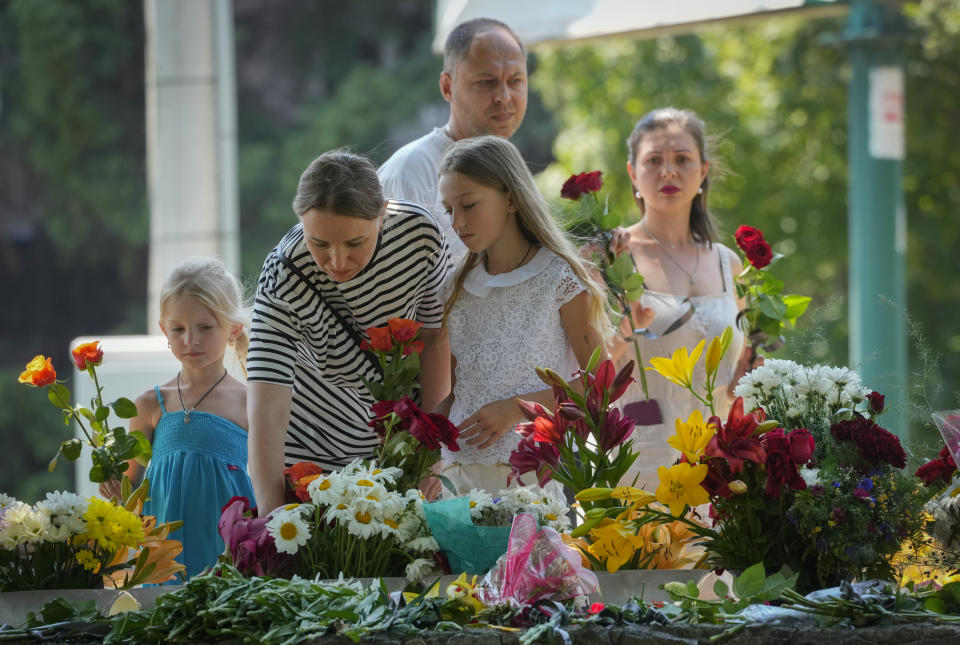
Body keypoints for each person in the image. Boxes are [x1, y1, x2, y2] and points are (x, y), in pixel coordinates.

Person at [247, 150, 450, 514]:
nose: (337, 262)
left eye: (355, 243)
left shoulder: (421, 237)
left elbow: (435, 339)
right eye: (319, 244)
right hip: (308, 450)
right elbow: (267, 406)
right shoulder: (283, 273)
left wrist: (430, 456)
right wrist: (269, 515)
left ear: (383, 213)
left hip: (398, 442)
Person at [436, 135, 613, 495]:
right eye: (449, 209)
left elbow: (602, 383)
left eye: (468, 205)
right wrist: (421, 435)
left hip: (534, 476)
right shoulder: (455, 287)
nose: (457, 222)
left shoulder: (559, 279)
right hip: (460, 478)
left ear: (511, 199)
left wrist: (519, 408)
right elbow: (455, 389)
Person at [609, 107, 750, 490]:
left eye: (682, 159)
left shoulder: (729, 263)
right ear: (633, 174)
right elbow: (585, 373)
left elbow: (749, 365)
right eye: (654, 160)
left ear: (703, 172)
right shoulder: (615, 258)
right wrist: (626, 332)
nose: (668, 171)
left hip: (722, 470)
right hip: (640, 467)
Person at [99, 258, 255, 580]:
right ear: (163, 331)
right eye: (178, 329)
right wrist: (113, 485)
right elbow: (130, 494)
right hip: (162, 559)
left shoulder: (250, 402)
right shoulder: (149, 405)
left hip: (229, 556)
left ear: (233, 329)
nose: (190, 340)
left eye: (205, 327)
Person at [378, 17, 527, 263]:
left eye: (515, 81)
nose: (504, 96)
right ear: (448, 87)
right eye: (486, 83)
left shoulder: (509, 169)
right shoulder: (411, 173)